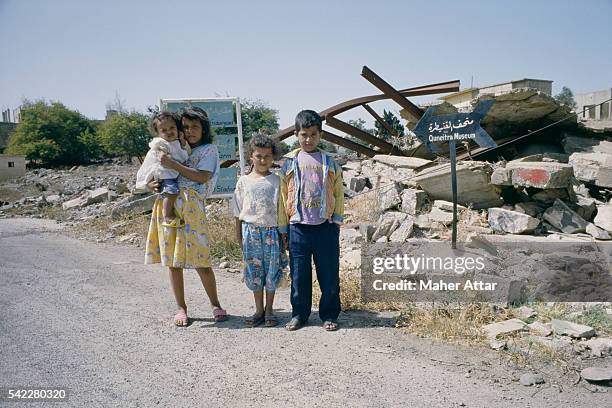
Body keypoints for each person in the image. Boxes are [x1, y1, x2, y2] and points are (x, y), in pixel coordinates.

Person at [144, 107, 227, 326]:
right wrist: (152, 184)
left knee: (202, 260)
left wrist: (172, 165)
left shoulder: (209, 150)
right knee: (173, 261)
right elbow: (154, 171)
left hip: (192, 208)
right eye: (186, 127)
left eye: (195, 127)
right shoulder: (174, 148)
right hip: (167, 203)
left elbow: (202, 177)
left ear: (204, 129)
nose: (190, 131)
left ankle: (215, 304)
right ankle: (181, 307)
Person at [279, 110, 344, 331]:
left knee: (329, 273)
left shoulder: (329, 162)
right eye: (304, 134)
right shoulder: (289, 162)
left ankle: (329, 313)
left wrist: (336, 221)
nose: (308, 140)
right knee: (299, 274)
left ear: (320, 135)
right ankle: (299, 314)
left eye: (313, 135)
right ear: (296, 134)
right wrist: (283, 227)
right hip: (298, 226)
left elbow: (338, 193)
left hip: (325, 226)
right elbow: (282, 196)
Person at [231, 134, 288, 327]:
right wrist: (239, 236)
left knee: (272, 271)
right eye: (259, 156)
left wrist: (283, 233)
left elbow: (282, 209)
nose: (263, 160)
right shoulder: (243, 182)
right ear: (251, 156)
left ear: (273, 157)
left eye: (267, 156)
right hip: (251, 233)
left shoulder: (278, 181)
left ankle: (270, 309)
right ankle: (258, 310)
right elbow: (237, 212)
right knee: (255, 272)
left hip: (272, 233)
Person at [135, 111, 190, 226]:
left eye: (172, 128)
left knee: (177, 192)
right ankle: (167, 215)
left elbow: (185, 152)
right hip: (166, 175)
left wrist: (183, 141)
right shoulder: (161, 143)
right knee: (171, 192)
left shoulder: (177, 142)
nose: (169, 132)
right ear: (158, 133)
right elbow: (159, 159)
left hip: (175, 173)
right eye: (164, 130)